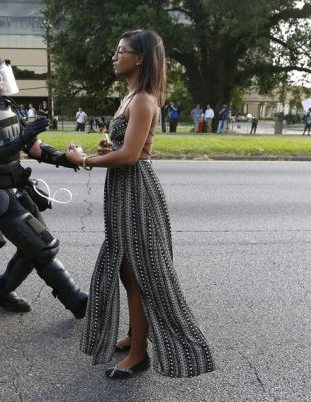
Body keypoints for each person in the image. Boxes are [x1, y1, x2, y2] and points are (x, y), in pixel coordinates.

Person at [66, 30, 215, 379]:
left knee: (139, 274)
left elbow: (132, 156)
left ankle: (139, 354)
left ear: (141, 57)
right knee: (125, 267)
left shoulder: (144, 99)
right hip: (123, 191)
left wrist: (83, 159)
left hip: (137, 192)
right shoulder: (130, 97)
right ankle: (135, 334)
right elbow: (123, 149)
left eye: (122, 51)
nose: (115, 56)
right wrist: (107, 150)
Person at [0, 47, 89, 318]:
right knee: (43, 246)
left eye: (1, 76)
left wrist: (65, 159)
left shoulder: (6, 105)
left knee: (32, 246)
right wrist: (21, 139)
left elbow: (33, 145)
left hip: (17, 187)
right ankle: (77, 301)